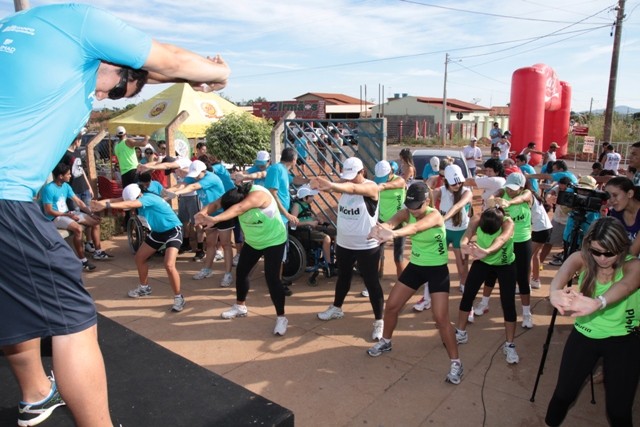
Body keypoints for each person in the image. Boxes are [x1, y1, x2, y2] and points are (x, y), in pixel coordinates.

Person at [0, 3, 230, 426]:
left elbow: (140, 72)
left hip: (16, 201)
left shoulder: (15, 31)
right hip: (6, 197)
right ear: (109, 58)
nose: (104, 97)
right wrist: (217, 73)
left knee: (14, 302)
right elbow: (168, 59)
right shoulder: (80, 21)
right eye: (121, 89)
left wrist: (185, 80)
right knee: (73, 320)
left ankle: (36, 393)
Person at [366, 182, 463, 385]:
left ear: (427, 201)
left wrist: (394, 234)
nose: (412, 211)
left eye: (416, 207)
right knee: (391, 306)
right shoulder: (406, 212)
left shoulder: (434, 215)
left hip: (437, 269)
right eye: (409, 206)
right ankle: (386, 341)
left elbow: (416, 227)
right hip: (416, 267)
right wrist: (380, 229)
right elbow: (391, 222)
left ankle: (456, 363)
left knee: (440, 318)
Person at [545, 217, 640, 426]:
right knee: (563, 395)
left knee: (618, 411)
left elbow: (626, 286)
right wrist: (554, 292)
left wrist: (599, 302)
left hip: (624, 339)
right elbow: (564, 271)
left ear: (621, 247)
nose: (602, 258)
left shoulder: (633, 265)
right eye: (596, 251)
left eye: (609, 253)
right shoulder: (583, 258)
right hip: (585, 335)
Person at [195, 184, 290, 336]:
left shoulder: (258, 195)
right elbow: (216, 204)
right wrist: (202, 213)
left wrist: (216, 219)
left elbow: (239, 208)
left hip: (274, 240)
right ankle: (240, 307)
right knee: (241, 272)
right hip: (253, 241)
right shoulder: (233, 194)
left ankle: (281, 318)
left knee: (272, 279)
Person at [310, 157, 385, 341]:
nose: (349, 179)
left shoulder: (371, 187)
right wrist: (321, 184)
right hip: (344, 244)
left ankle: (379, 321)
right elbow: (344, 186)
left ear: (362, 172)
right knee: (343, 278)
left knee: (372, 283)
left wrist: (332, 185)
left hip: (366, 246)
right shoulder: (344, 184)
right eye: (347, 176)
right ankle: (337, 308)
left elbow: (352, 188)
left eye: (353, 176)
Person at [92, 184, 186, 312]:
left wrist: (107, 206)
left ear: (138, 196)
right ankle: (144, 288)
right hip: (158, 232)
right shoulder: (137, 195)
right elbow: (118, 200)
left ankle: (179, 297)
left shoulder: (148, 198)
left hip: (173, 231)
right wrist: (99, 203)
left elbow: (129, 204)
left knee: (169, 265)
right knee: (139, 258)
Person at [455, 206, 520, 364]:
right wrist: (463, 245)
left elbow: (501, 240)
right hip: (482, 262)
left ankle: (510, 344)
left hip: (504, 264)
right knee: (468, 295)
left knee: (508, 303)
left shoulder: (508, 223)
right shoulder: (477, 218)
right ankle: (461, 333)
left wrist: (487, 251)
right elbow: (467, 233)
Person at [475, 173, 534, 329]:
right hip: (505, 241)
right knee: (492, 273)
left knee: (522, 278)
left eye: (514, 188)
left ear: (521, 187)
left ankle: (526, 313)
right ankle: (484, 303)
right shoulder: (503, 191)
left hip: (522, 241)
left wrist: (509, 202)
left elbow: (522, 198)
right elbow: (495, 194)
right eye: (508, 187)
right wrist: (493, 199)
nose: (510, 190)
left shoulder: (527, 194)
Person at [168, 160, 232, 286]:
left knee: (226, 244)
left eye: (197, 175)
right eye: (194, 175)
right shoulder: (194, 177)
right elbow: (182, 184)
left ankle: (228, 274)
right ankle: (207, 269)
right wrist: (166, 191)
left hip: (223, 214)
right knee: (210, 243)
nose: (196, 177)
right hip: (208, 214)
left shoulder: (211, 178)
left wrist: (176, 193)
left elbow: (193, 187)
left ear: (204, 171)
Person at [41, 162, 112, 270]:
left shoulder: (66, 186)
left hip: (67, 214)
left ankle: (98, 252)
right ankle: (82, 261)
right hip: (55, 218)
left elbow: (79, 202)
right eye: (68, 174)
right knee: (78, 229)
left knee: (95, 222)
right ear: (60, 176)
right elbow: (48, 211)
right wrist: (67, 215)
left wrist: (91, 213)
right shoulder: (49, 189)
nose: (70, 176)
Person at [433, 164, 472, 293]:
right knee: (437, 260)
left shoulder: (467, 192)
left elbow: (458, 206)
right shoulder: (439, 191)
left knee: (462, 262)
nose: (457, 185)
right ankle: (435, 286)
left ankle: (464, 283)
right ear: (446, 181)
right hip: (444, 231)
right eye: (454, 183)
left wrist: (443, 218)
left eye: (459, 182)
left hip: (461, 231)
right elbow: (429, 203)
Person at [290, 185, 336, 275]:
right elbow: (293, 223)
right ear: (304, 198)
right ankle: (329, 265)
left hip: (311, 227)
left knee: (335, 233)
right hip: (303, 230)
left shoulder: (307, 205)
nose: (313, 197)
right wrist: (309, 223)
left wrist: (316, 218)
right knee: (326, 238)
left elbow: (308, 216)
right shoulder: (296, 206)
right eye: (311, 196)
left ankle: (336, 261)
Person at [374, 160, 407, 278]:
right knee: (376, 254)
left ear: (390, 173)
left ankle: (402, 282)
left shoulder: (400, 181)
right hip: (382, 221)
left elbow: (388, 185)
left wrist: (380, 186)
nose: (381, 180)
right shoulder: (377, 181)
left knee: (398, 257)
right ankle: (377, 276)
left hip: (399, 222)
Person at [605, 176, 640, 256]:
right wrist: (603, 218)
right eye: (608, 196)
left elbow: (633, 253)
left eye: (615, 195)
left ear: (630, 194)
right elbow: (610, 242)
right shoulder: (616, 213)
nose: (611, 200)